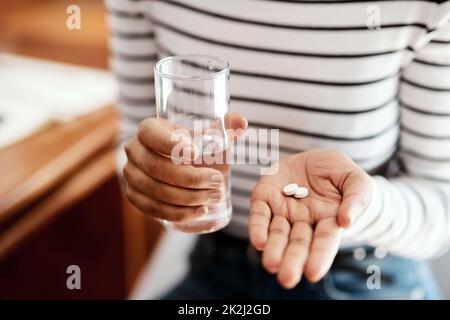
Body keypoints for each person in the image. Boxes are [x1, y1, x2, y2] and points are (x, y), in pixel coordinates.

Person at [106, 0, 450, 299]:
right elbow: (135, 144)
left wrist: (362, 204)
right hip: (216, 262)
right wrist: (154, 180)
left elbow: (441, 205)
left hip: (363, 273)